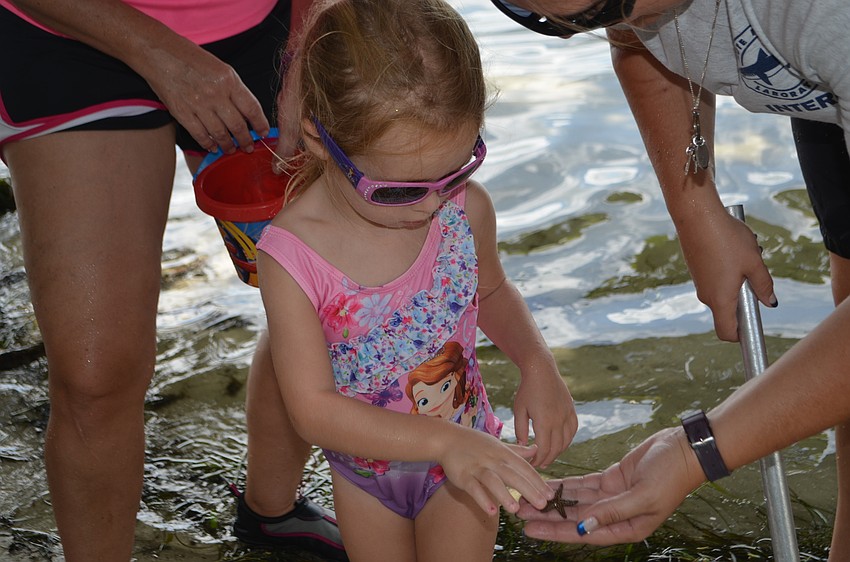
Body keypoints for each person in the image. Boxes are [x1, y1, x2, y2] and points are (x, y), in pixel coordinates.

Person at [489, 0, 850, 555]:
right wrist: (697, 213)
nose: (580, 25)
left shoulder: (825, 19)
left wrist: (697, 452)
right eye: (538, 14)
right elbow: (636, 39)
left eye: (599, 7)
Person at [0, 0, 345, 560]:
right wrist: (158, 51)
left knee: (327, 304)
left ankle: (271, 511)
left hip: (265, 29)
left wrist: (308, 43)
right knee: (95, 375)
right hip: (72, 35)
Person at [249, 0, 579, 559]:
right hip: (367, 475)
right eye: (400, 189)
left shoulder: (465, 209)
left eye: (456, 170)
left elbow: (491, 290)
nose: (430, 205)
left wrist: (537, 363)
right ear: (316, 135)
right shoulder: (292, 256)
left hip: (464, 463)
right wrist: (444, 441)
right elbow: (312, 409)